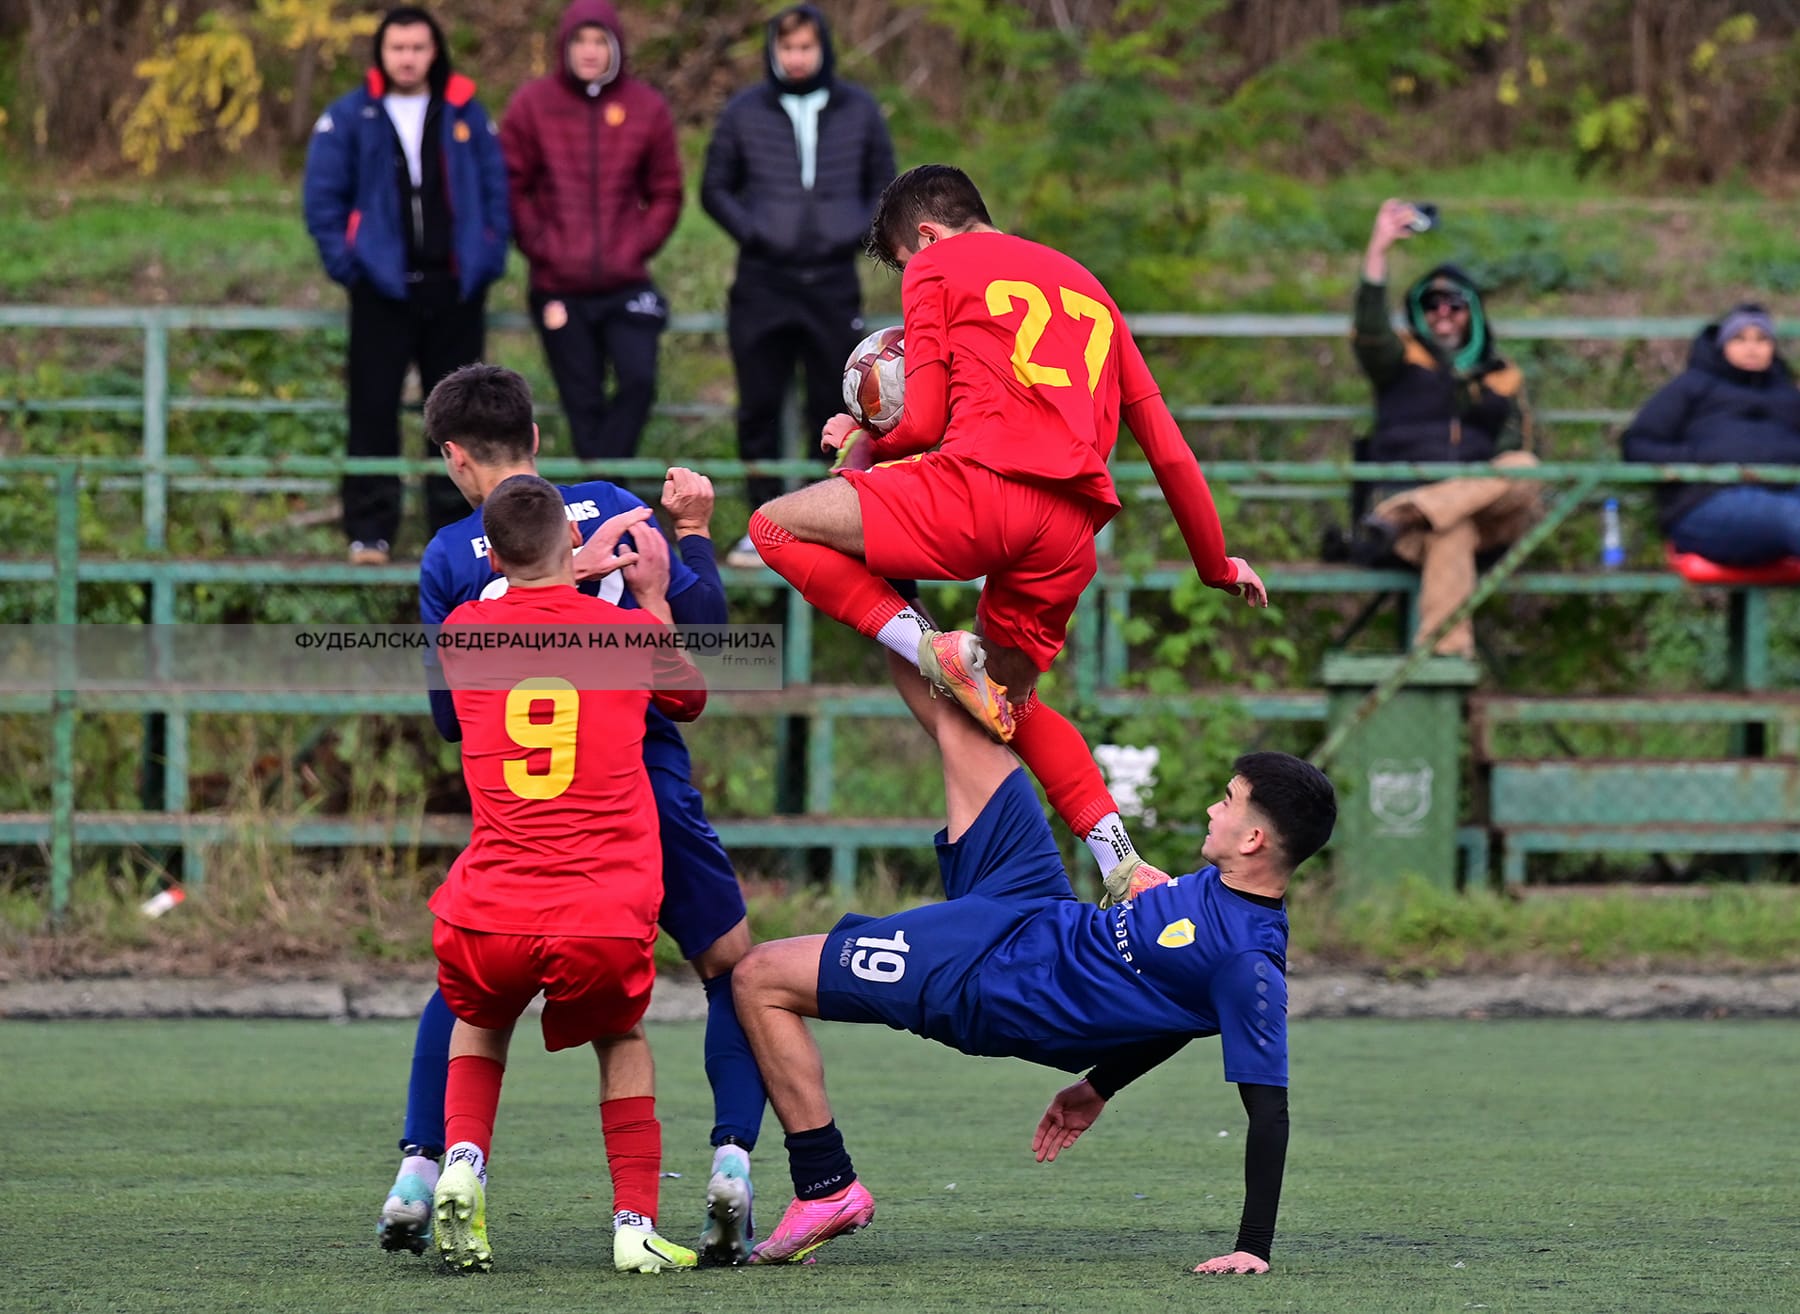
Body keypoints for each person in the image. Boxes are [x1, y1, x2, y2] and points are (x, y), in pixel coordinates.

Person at [746, 163, 1267, 904]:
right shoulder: (1090, 289)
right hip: (1069, 531)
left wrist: (864, 438)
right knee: (1008, 705)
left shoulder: (938, 266)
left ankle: (927, 646)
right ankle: (1122, 862)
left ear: (928, 236)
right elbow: (1168, 448)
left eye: (905, 260)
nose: (910, 274)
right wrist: (1216, 565)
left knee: (773, 525)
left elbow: (921, 424)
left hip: (980, 493)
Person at [730, 653, 1335, 1268]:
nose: (1212, 810)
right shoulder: (1226, 887)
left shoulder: (1248, 961)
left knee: (759, 976)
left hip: (997, 980)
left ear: (1254, 840)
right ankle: (890, 607)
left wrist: (1252, 1247)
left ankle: (825, 1184)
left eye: (1228, 802)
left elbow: (1269, 1112)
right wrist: (1100, 1085)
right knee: (958, 699)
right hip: (1034, 906)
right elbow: (1179, 1007)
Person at [377, 365, 767, 1266]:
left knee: (471, 990)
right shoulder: (617, 509)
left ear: (454, 457)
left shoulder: (451, 558)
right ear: (537, 440)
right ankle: (732, 1164)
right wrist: (693, 539)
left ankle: (422, 1169)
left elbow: (450, 719)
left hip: (531, 809)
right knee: (731, 973)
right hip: (639, 792)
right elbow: (704, 642)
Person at [428, 473, 704, 1273]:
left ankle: (463, 1162)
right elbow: (688, 698)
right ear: (572, 540)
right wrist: (651, 596)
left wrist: (548, 570)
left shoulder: (464, 631)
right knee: (621, 1039)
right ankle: (633, 1224)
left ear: (493, 554)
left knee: (480, 1021)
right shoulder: (624, 635)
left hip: (490, 905)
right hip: (600, 909)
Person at [302, 6, 509, 565]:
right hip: (381, 289)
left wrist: (486, 257)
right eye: (398, 48)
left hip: (455, 288)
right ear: (381, 53)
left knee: (460, 418)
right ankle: (370, 530)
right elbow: (322, 199)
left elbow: (497, 190)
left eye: (418, 48)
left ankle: (459, 532)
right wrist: (350, 266)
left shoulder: (466, 112)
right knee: (372, 407)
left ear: (434, 51)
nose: (408, 58)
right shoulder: (351, 116)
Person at [701, 4, 897, 568]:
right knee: (758, 407)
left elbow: (886, 186)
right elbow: (715, 188)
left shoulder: (859, 109)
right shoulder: (744, 111)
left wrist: (852, 234)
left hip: (832, 282)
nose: (796, 58)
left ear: (822, 49)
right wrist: (756, 233)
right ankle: (761, 523)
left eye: (805, 47)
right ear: (774, 51)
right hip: (762, 283)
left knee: (834, 409)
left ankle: (826, 525)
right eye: (787, 48)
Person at [1350, 199, 1540, 657]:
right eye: (1431, 305)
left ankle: (1411, 510)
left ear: (1472, 312)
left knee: (1524, 467)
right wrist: (1378, 249)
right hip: (1416, 529)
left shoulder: (1502, 375)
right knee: (1450, 529)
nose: (1443, 314)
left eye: (1454, 305)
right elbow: (1370, 331)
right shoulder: (1400, 360)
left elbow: (1516, 456)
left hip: (1476, 517)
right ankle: (1443, 660)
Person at [501, 0, 683, 462]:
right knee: (582, 403)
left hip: (626, 283)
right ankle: (605, 496)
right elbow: (511, 186)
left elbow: (666, 190)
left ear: (615, 46)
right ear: (564, 45)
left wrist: (635, 245)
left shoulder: (646, 107)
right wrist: (543, 246)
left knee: (638, 381)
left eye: (599, 40)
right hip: (557, 285)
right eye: (580, 40)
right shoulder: (532, 105)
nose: (589, 50)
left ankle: (602, 490)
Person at [1621, 303, 1800, 564]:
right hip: (1707, 503)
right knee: (1790, 515)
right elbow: (1638, 446)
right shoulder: (1691, 387)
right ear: (1722, 344)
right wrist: (1701, 457)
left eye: (1762, 339)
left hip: (1785, 495)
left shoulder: (1788, 395)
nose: (1752, 348)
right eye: (1739, 339)